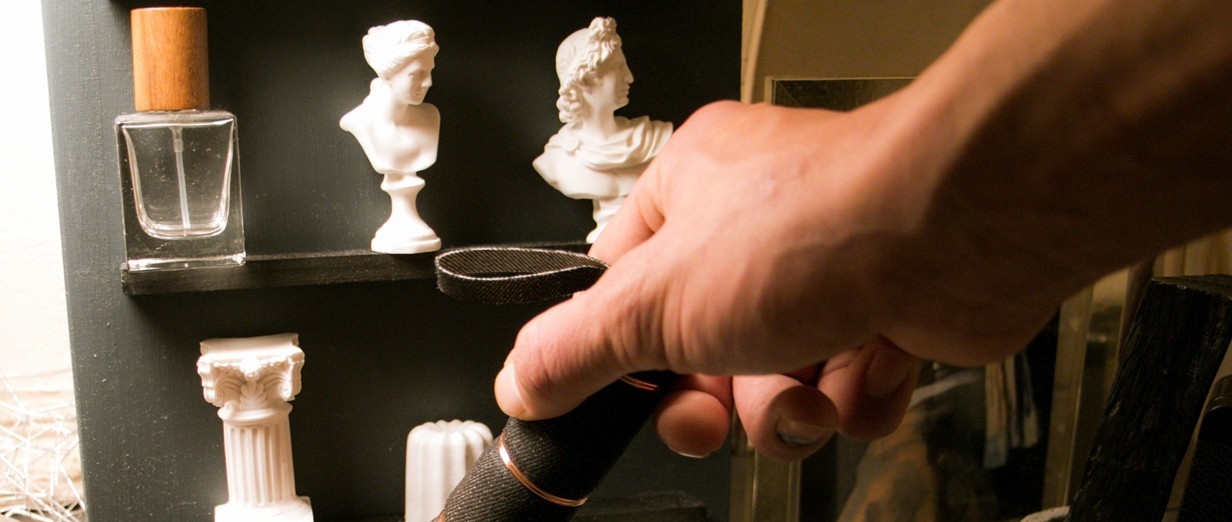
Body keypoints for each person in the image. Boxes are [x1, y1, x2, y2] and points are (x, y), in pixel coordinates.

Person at [496, 0, 1232, 464]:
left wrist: (899, 207)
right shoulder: (564, 159)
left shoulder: (654, 145)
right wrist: (929, 228)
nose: (626, 81)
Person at [533, 17, 673, 243]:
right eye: (618, 68)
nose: (629, 77)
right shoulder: (558, 159)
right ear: (585, 80)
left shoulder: (653, 139)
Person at [340, 20, 441, 253]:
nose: (429, 82)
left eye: (430, 72)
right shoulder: (360, 122)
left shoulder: (431, 117)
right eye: (417, 74)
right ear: (389, 73)